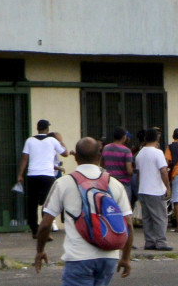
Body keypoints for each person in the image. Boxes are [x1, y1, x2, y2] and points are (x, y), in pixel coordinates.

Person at [35, 138, 133, 285]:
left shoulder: (63, 183)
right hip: (109, 257)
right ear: (99, 157)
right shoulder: (114, 183)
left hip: (79, 257)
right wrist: (125, 257)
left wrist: (40, 250)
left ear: (76, 157)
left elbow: (45, 224)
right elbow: (129, 225)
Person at [18, 119, 69, 239]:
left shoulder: (29, 141)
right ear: (47, 129)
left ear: (37, 129)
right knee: (47, 204)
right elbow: (65, 153)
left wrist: (20, 174)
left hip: (32, 175)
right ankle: (45, 230)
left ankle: (35, 230)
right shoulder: (52, 140)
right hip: (47, 176)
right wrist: (61, 141)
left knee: (32, 203)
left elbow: (25, 158)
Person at [135, 128, 172, 251]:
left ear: (145, 139)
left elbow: (139, 173)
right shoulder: (158, 153)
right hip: (155, 190)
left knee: (147, 218)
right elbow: (163, 171)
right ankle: (161, 241)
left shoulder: (140, 154)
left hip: (143, 189)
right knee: (160, 217)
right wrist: (167, 187)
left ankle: (149, 241)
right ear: (157, 139)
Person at [101, 127, 134, 205]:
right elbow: (129, 170)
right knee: (124, 208)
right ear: (124, 137)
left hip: (109, 182)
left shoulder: (106, 148)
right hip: (124, 183)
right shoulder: (127, 151)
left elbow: (102, 164)